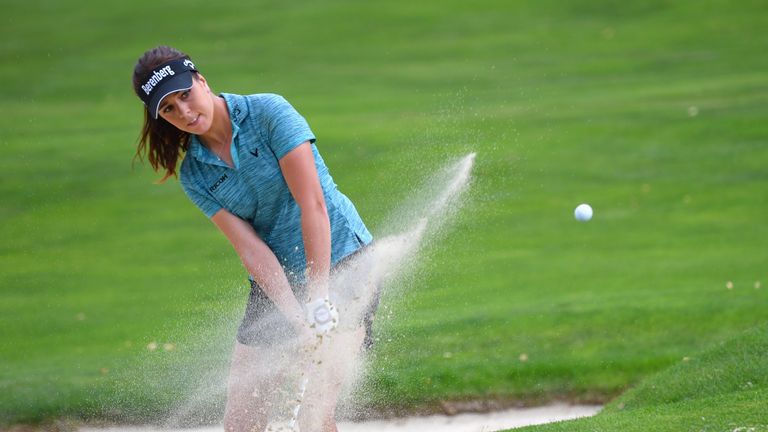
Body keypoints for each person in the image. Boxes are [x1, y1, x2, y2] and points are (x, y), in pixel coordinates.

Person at [132, 45, 376, 432]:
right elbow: (251, 250)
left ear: (201, 80)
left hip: (344, 261)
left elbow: (312, 204)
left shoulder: (268, 113)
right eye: (169, 110)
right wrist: (295, 318)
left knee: (314, 418)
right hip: (275, 281)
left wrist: (317, 295)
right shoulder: (196, 175)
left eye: (185, 95)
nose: (185, 112)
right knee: (242, 424)